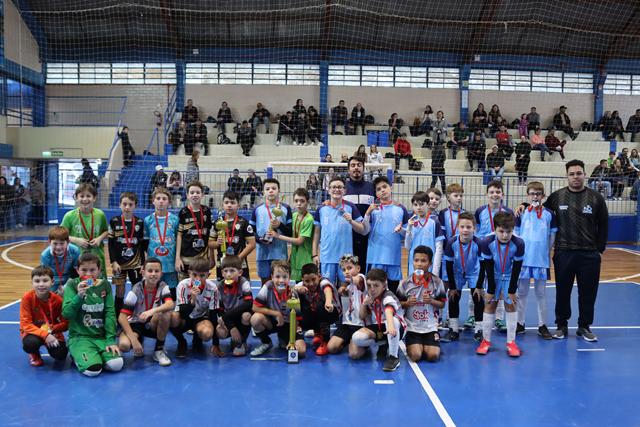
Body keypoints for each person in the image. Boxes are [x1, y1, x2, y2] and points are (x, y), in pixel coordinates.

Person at [523, 159, 608, 341]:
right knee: (563, 292)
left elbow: (604, 224)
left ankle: (584, 326)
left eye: (579, 173)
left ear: (584, 174)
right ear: (567, 176)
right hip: (564, 253)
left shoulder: (596, 198)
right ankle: (561, 325)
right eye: (572, 174)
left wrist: (599, 249)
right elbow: (538, 208)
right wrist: (523, 205)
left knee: (588, 293)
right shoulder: (557, 197)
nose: (575, 177)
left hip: (589, 254)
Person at [62, 253, 123, 376]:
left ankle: (96, 356)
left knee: (117, 364)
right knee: (93, 370)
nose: (88, 274)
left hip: (101, 338)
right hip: (80, 338)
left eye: (92, 270)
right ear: (77, 270)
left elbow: (110, 313)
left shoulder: (105, 285)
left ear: (99, 270)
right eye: (84, 270)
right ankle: (78, 354)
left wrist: (110, 340)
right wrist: (79, 296)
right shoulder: (72, 285)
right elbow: (67, 314)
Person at [476, 212, 525, 357]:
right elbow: (488, 266)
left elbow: (517, 268)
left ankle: (511, 342)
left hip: (510, 275)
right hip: (494, 275)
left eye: (508, 232)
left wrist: (512, 290)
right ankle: (486, 341)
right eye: (501, 231)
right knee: (490, 305)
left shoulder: (519, 243)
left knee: (511, 305)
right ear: (495, 229)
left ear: (513, 230)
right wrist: (490, 290)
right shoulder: (486, 242)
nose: (505, 235)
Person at [515, 182, 556, 339]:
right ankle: (520, 323)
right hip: (524, 260)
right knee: (522, 292)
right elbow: (516, 235)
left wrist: (545, 251)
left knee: (541, 293)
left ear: (543, 196)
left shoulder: (549, 214)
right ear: (528, 195)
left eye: (538, 194)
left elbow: (552, 236)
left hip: (541, 260)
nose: (535, 196)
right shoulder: (521, 213)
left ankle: (542, 325)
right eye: (532, 193)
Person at [118, 258, 174, 366]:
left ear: (161, 273)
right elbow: (122, 317)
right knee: (124, 346)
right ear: (143, 272)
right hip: (136, 323)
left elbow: (170, 304)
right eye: (150, 271)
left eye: (156, 271)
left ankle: (159, 350)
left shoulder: (163, 286)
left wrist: (151, 311)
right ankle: (138, 339)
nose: (153, 274)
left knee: (166, 314)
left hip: (152, 323)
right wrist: (134, 340)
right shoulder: (136, 289)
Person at [313, 176, 369, 285]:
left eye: (339, 187)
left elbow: (362, 229)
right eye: (333, 187)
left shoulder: (350, 207)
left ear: (344, 190)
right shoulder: (321, 209)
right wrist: (314, 254)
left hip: (346, 259)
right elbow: (316, 233)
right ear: (329, 190)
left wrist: (351, 221)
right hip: (327, 257)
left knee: (346, 289)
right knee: (327, 287)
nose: (336, 189)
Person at [350, 269, 405, 371]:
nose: (372, 289)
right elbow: (361, 316)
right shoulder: (370, 296)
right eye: (369, 285)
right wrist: (364, 304)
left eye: (376, 285)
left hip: (397, 329)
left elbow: (389, 310)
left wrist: (391, 327)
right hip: (381, 328)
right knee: (357, 338)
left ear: (384, 286)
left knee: (392, 320)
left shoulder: (388, 295)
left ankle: (393, 357)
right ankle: (383, 343)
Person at [397, 246, 446, 362]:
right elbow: (398, 305)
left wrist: (431, 301)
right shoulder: (404, 283)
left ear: (430, 263)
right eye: (416, 260)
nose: (419, 264)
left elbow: (442, 304)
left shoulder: (437, 282)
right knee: (415, 356)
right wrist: (407, 303)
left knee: (433, 356)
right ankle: (416, 344)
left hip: (430, 327)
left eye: (423, 261)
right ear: (412, 262)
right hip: (412, 327)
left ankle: (429, 343)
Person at [250, 260, 305, 357]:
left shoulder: (293, 293)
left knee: (300, 352)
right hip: (273, 322)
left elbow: (297, 320)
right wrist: (276, 314)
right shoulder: (267, 287)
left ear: (289, 277)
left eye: (285, 277)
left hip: (288, 325)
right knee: (255, 319)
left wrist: (292, 340)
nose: (281, 280)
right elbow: (255, 307)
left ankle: (283, 338)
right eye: (277, 276)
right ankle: (266, 342)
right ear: (272, 277)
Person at [364, 177, 410, 293]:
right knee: (375, 292)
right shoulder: (373, 210)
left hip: (393, 257)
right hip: (376, 257)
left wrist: (401, 230)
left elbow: (407, 233)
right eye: (379, 189)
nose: (382, 190)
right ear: (376, 193)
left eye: (384, 187)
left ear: (391, 187)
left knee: (393, 291)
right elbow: (365, 230)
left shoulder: (401, 209)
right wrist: (367, 213)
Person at [443, 213, 485, 342]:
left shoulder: (479, 243)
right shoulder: (451, 243)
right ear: (457, 227)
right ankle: (453, 329)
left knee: (478, 299)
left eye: (468, 227)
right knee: (453, 298)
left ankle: (479, 330)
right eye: (462, 227)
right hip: (457, 273)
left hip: (474, 273)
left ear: (474, 228)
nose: (465, 230)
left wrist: (479, 286)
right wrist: (452, 287)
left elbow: (483, 265)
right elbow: (448, 265)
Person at [171, 257, 222, 358]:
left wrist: (216, 344)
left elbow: (213, 315)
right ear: (189, 273)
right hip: (184, 318)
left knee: (207, 333)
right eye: (194, 275)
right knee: (172, 318)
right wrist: (193, 300)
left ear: (208, 275)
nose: (198, 279)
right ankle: (181, 342)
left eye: (202, 275)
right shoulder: (183, 285)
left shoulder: (213, 288)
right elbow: (183, 313)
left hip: (200, 318)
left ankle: (197, 339)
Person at [20, 266, 69, 367]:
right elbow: (25, 324)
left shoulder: (58, 300)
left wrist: (52, 329)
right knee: (30, 344)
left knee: (61, 354)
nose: (41, 284)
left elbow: (66, 324)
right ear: (32, 283)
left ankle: (49, 344)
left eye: (45, 280)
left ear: (52, 282)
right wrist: (45, 335)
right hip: (34, 333)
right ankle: (34, 354)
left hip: (52, 332)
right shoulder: (27, 298)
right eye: (37, 281)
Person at [108, 192, 146, 315]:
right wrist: (113, 262)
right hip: (119, 263)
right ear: (120, 205)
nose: (127, 207)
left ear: (135, 206)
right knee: (120, 290)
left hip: (135, 263)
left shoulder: (140, 222)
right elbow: (111, 244)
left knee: (137, 289)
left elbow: (142, 245)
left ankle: (135, 314)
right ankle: (118, 316)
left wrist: (143, 263)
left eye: (130, 204)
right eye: (124, 204)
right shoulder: (114, 221)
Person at [60, 183, 109, 280]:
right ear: (76, 198)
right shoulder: (69, 216)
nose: (85, 199)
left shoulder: (100, 214)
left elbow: (106, 231)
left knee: (98, 285)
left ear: (94, 198)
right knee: (81, 284)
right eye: (81, 196)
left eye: (88, 196)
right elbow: (61, 236)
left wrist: (99, 239)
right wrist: (76, 240)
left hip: (97, 256)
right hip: (78, 258)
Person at [251, 179, 292, 284]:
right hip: (262, 254)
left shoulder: (286, 208)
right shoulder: (257, 209)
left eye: (274, 188)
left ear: (279, 190)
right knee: (265, 284)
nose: (271, 191)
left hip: (280, 255)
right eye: (267, 189)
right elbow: (251, 232)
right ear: (263, 192)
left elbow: (290, 233)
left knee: (281, 284)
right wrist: (260, 240)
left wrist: (279, 225)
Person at [269, 188, 315, 282]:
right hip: (294, 258)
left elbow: (299, 241)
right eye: (296, 201)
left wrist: (277, 236)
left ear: (307, 202)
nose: (299, 203)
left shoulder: (309, 219)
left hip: (305, 258)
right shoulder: (294, 215)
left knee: (305, 285)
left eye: (302, 201)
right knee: (295, 286)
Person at [294, 263, 341, 356]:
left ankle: (325, 340)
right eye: (307, 281)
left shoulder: (324, 282)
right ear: (302, 279)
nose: (311, 284)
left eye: (313, 279)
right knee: (298, 297)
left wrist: (328, 302)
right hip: (315, 314)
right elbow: (291, 289)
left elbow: (327, 289)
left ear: (319, 276)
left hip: (332, 312)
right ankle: (317, 332)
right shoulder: (301, 285)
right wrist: (296, 289)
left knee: (320, 306)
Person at [327, 254, 368, 355]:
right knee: (331, 348)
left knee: (354, 354)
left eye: (349, 268)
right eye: (344, 270)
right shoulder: (349, 287)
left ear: (358, 268)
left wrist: (345, 283)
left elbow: (357, 280)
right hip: (347, 323)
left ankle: (363, 344)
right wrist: (343, 291)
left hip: (361, 324)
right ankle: (349, 341)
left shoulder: (362, 278)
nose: (346, 272)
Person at [211, 191, 256, 279]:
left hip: (240, 263)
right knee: (223, 287)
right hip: (222, 263)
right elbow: (210, 243)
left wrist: (239, 258)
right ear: (222, 205)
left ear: (238, 205)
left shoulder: (243, 222)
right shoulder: (217, 223)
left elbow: (252, 244)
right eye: (226, 202)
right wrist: (217, 243)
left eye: (232, 203)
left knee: (242, 287)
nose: (229, 205)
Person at [214, 255, 254, 356]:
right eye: (226, 271)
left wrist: (226, 317)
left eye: (232, 271)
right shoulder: (219, 287)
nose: (228, 274)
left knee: (246, 316)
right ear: (222, 273)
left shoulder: (244, 282)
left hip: (239, 315)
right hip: (229, 319)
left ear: (240, 272)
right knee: (220, 331)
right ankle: (234, 339)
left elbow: (249, 303)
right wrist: (231, 327)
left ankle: (242, 341)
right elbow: (220, 310)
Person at [144, 187, 180, 297]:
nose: (161, 201)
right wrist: (145, 262)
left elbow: (178, 239)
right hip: (154, 264)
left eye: (164, 199)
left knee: (171, 293)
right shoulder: (148, 220)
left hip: (170, 263)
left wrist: (178, 259)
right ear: (153, 201)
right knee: (154, 293)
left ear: (169, 202)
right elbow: (145, 243)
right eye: (158, 198)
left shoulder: (175, 220)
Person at [344, 156, 376, 271]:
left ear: (364, 168)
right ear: (348, 169)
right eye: (353, 165)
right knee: (348, 270)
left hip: (368, 236)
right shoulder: (342, 188)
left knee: (364, 268)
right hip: (348, 235)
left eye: (359, 165)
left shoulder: (372, 187)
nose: (356, 168)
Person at [176, 181, 212, 281]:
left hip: (202, 258)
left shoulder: (206, 211)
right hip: (186, 258)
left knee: (199, 284)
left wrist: (211, 257)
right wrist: (177, 258)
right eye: (192, 192)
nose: (195, 195)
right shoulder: (183, 212)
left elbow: (210, 235)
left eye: (197, 192)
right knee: (185, 285)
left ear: (202, 194)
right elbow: (179, 235)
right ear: (187, 195)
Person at [405, 191, 445, 277]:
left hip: (429, 266)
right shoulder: (411, 221)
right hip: (414, 265)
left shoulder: (435, 222)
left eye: (421, 204)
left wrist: (435, 271)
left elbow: (439, 248)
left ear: (428, 204)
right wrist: (409, 229)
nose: (418, 208)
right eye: (415, 205)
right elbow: (407, 246)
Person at [40, 226, 81, 295]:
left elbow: (77, 271)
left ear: (68, 242)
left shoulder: (75, 251)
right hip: (53, 281)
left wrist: (67, 286)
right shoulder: (45, 255)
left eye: (62, 243)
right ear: (49, 242)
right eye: (55, 243)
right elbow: (45, 276)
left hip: (70, 279)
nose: (58, 247)